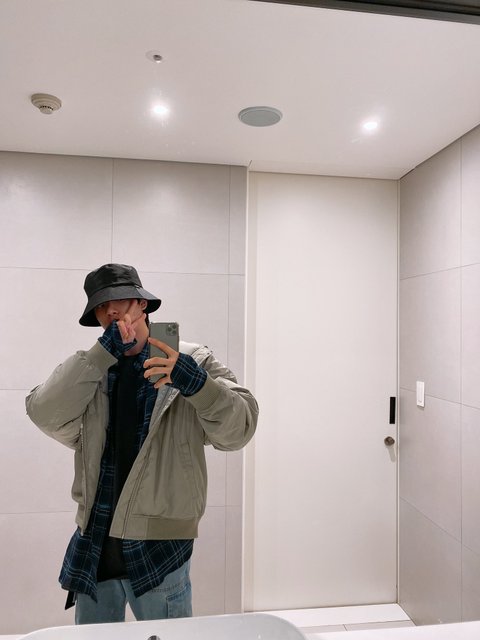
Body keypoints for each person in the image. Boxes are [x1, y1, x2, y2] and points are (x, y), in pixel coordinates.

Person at [25, 263, 258, 624]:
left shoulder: (193, 359)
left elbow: (240, 428)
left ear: (142, 304)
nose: (110, 311)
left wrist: (196, 383)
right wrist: (101, 353)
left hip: (159, 546)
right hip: (96, 540)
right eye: (101, 306)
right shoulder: (93, 368)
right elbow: (42, 411)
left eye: (118, 300)